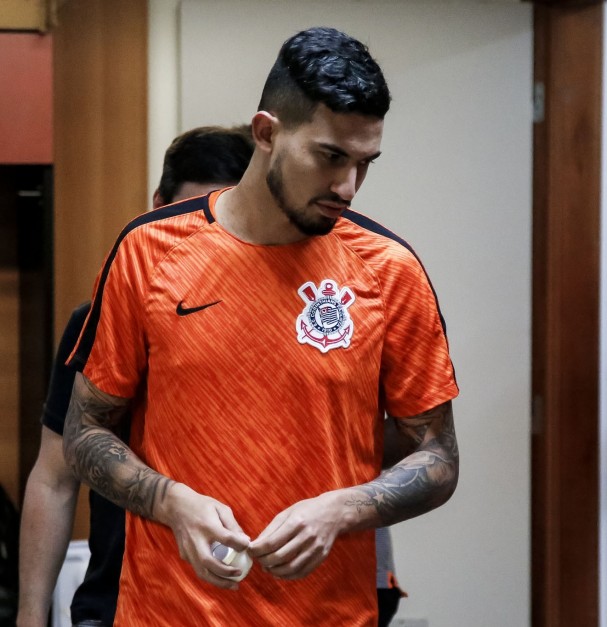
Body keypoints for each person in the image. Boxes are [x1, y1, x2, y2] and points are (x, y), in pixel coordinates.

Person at [62, 26, 459, 626]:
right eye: (330, 157)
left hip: (328, 614)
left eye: (364, 163)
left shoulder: (389, 271)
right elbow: (84, 432)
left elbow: (439, 458)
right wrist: (172, 503)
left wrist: (343, 508)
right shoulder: (148, 252)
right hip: (168, 613)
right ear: (267, 133)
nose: (348, 187)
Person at [17, 124, 255, 627]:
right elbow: (55, 478)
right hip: (118, 601)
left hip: (243, 599)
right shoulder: (97, 320)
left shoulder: (264, 323)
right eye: (188, 213)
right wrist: (31, 615)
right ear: (157, 205)